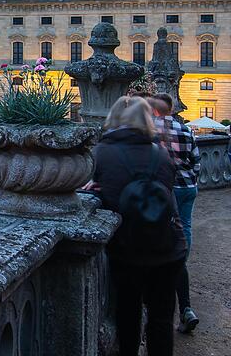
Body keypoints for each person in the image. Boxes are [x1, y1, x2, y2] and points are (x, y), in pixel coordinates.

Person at [93, 95, 187, 356]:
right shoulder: (161, 154)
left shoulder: (102, 152)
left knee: (128, 316)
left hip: (127, 248)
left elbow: (105, 193)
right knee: (161, 320)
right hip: (168, 246)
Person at [150, 93, 201, 333]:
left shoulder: (150, 129)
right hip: (187, 186)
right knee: (186, 227)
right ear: (172, 108)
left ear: (155, 109)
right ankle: (182, 255)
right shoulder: (186, 129)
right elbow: (197, 161)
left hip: (165, 189)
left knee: (162, 231)